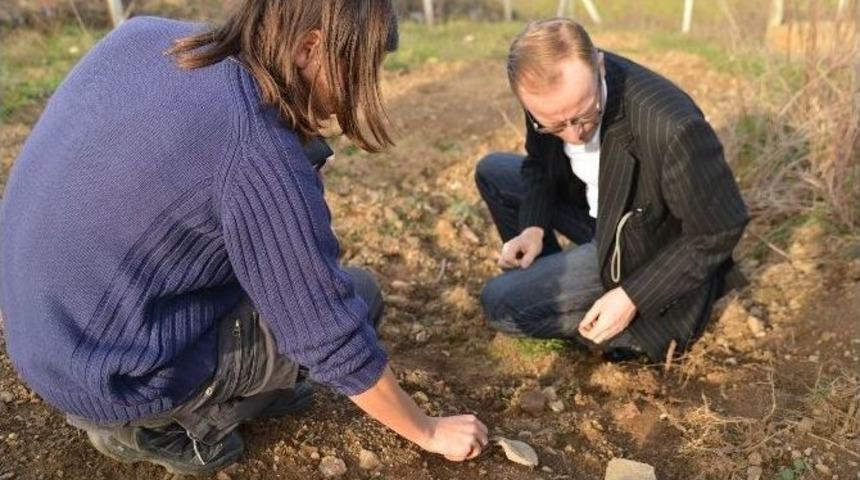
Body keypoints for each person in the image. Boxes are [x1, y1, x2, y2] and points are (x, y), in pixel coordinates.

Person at [0, 1, 487, 475]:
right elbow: (328, 331)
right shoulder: (255, 146)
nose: (361, 90)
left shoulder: (143, 36)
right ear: (309, 48)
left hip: (39, 330)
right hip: (115, 376)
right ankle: (165, 424)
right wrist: (428, 431)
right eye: (358, 69)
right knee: (362, 295)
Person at [476, 18, 749, 363]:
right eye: (554, 125)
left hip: (646, 250)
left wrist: (632, 296)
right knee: (493, 172)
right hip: (604, 217)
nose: (574, 135)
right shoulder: (546, 91)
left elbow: (720, 228)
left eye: (583, 115)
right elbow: (539, 165)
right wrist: (533, 227)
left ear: (600, 67)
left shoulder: (670, 126)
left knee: (499, 303)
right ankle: (558, 284)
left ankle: (632, 331)